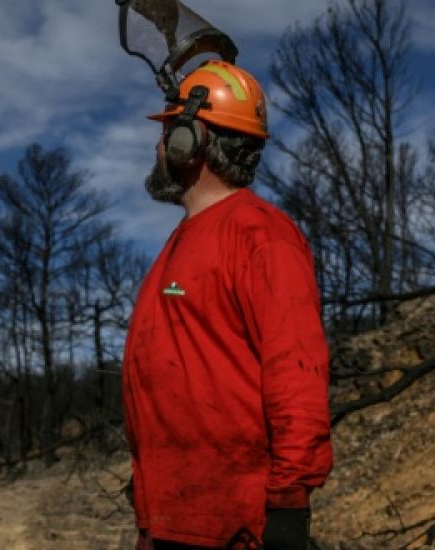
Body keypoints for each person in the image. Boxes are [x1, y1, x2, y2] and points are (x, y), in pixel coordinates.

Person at [122, 59, 333, 550]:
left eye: (169, 130)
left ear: (190, 141)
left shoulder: (261, 237)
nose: (157, 146)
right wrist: (149, 514)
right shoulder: (180, 243)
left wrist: (287, 508)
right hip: (175, 518)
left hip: (234, 528)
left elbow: (296, 377)